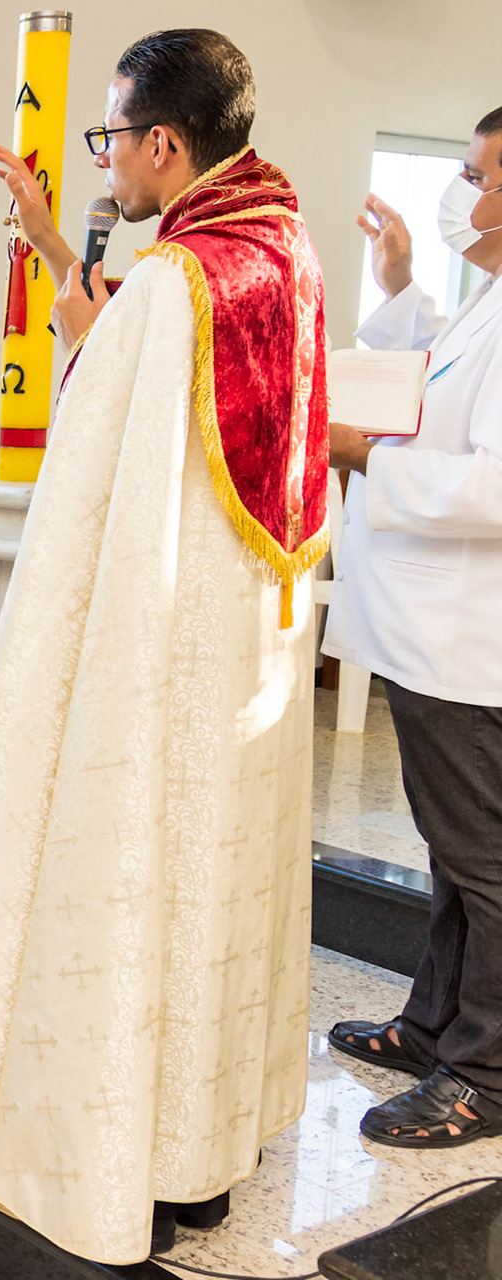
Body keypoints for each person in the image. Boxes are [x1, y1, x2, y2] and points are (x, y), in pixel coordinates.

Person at [0, 31, 330, 1263]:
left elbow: (99, 436)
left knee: (135, 869)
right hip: (250, 645)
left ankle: (123, 1153)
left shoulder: (181, 283)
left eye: (112, 137)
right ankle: (201, 1152)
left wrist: (74, 321)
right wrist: (56, 253)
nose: (107, 161)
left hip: (162, 643)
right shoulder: (281, 247)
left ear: (165, 143)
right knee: (215, 886)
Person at [324, 107, 502, 1151]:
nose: (464, 190)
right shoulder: (488, 300)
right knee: (452, 853)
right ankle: (434, 1021)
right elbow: (428, 379)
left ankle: (483, 1073)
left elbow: (493, 482)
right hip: (433, 631)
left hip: (472, 640)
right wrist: (392, 285)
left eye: (481, 172)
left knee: (485, 862)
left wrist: (364, 457)